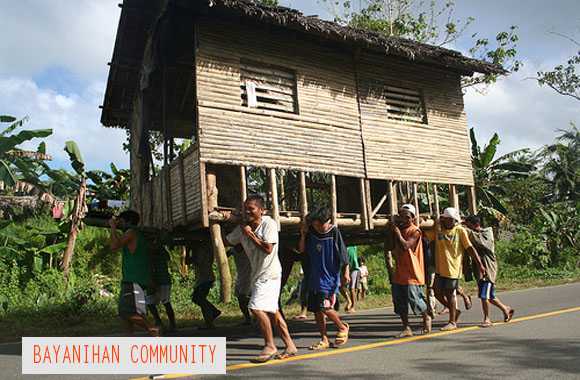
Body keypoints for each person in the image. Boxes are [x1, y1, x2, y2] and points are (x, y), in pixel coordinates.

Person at [226, 195, 297, 363]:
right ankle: (290, 345)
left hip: (270, 275)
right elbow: (226, 241)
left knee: (256, 308)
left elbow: (268, 248)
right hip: (258, 275)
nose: (247, 212)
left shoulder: (268, 224)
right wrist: (220, 223)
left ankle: (270, 345)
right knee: (273, 313)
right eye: (245, 209)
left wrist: (250, 235)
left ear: (261, 210)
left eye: (251, 208)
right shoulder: (242, 229)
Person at [423, 207, 486, 331]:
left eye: (451, 220)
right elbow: (425, 235)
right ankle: (454, 311)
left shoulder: (460, 231)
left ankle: (452, 322)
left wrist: (480, 264)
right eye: (446, 219)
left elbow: (470, 248)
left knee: (450, 294)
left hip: (453, 269)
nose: (449, 222)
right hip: (440, 269)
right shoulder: (438, 231)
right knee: (436, 291)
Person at [299, 207, 351, 351]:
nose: (317, 227)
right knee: (317, 310)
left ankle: (342, 326)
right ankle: (324, 339)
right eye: (315, 225)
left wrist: (345, 272)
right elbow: (302, 250)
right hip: (313, 277)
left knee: (325, 307)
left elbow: (343, 253)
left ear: (328, 221)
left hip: (329, 278)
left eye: (320, 224)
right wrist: (303, 235)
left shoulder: (334, 232)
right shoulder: (311, 233)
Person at [109, 210, 159, 336]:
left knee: (128, 312)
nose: (120, 224)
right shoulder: (138, 234)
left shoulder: (131, 233)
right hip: (134, 279)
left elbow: (114, 246)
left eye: (121, 221)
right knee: (126, 317)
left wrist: (113, 228)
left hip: (133, 280)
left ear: (128, 222)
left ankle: (153, 330)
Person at [386, 204, 432, 337]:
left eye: (407, 217)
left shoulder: (415, 231)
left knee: (415, 299)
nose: (404, 219)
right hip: (400, 271)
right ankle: (406, 327)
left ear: (412, 218)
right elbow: (390, 246)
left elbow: (406, 245)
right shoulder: (398, 230)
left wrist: (397, 233)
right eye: (401, 216)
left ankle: (426, 316)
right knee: (399, 301)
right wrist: (392, 232)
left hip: (413, 272)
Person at [465, 215, 515, 327]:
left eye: (468, 225)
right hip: (479, 270)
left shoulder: (487, 233)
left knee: (484, 296)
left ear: (474, 225)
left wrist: (465, 230)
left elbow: (481, 242)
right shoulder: (473, 234)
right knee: (490, 296)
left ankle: (487, 319)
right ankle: (506, 309)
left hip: (488, 269)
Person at [146, 239, 177, 333]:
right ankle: (159, 322)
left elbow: (167, 257)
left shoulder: (161, 251)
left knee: (166, 302)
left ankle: (172, 324)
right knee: (150, 302)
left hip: (163, 280)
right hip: (153, 280)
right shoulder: (149, 252)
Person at [191, 242, 221, 329]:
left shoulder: (202, 250)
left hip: (205, 278)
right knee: (199, 299)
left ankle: (210, 319)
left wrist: (191, 251)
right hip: (203, 278)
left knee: (199, 299)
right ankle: (212, 315)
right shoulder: (204, 249)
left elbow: (197, 262)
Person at [228, 245, 252, 325]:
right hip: (240, 277)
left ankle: (253, 317)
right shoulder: (233, 250)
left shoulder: (248, 249)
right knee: (240, 299)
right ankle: (248, 318)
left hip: (249, 277)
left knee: (243, 298)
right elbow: (225, 255)